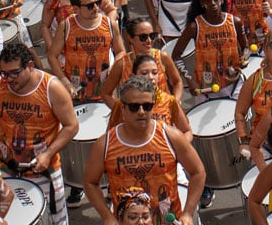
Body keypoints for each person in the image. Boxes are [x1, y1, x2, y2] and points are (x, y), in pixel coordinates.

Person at [0, 43, 79, 225]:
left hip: (43, 172)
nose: (9, 79)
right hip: (6, 168)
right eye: (4, 73)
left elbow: (71, 126)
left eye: (15, 73)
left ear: (30, 66)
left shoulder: (51, 88)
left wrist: (48, 154)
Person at [83, 76, 206, 225]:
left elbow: (198, 172)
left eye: (147, 106)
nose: (141, 112)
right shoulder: (105, 144)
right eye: (134, 107)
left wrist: (187, 213)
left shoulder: (171, 136)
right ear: (122, 107)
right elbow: (90, 182)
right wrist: (107, 216)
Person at [47, 0, 125, 102]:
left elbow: (120, 51)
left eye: (97, 3)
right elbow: (52, 56)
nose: (96, 8)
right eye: (90, 6)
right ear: (76, 8)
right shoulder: (66, 26)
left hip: (104, 93)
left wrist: (113, 68)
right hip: (75, 94)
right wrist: (65, 82)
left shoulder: (110, 24)